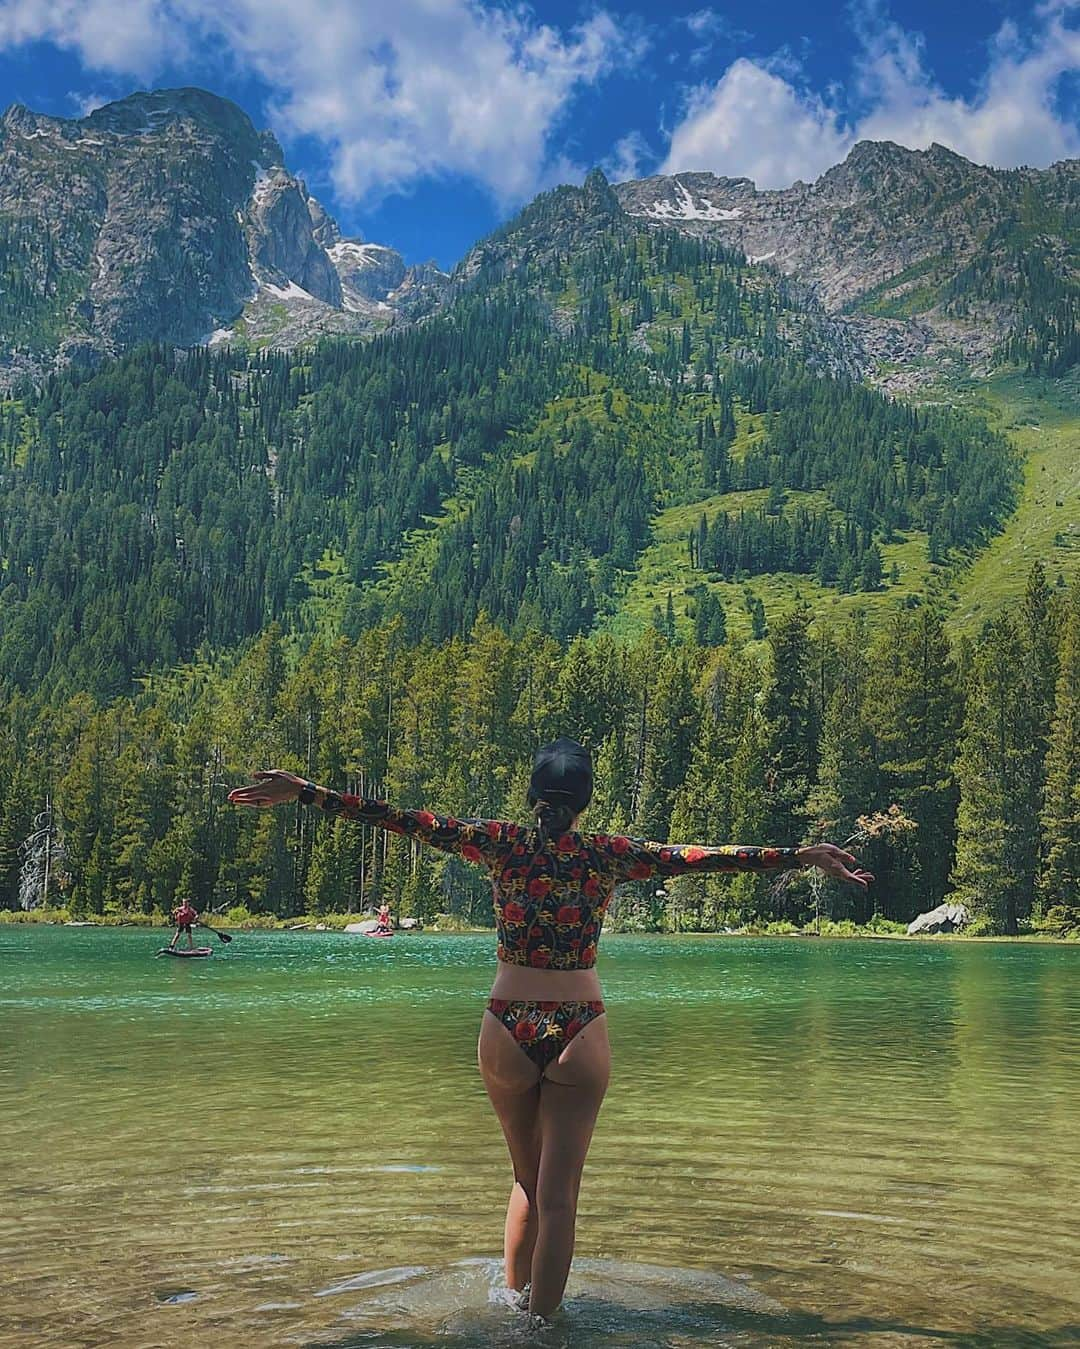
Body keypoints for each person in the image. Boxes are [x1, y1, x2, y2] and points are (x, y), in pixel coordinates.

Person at [227, 739, 871, 1321]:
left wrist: (304, 792)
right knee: (560, 1197)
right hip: (578, 1027)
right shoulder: (610, 854)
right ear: (585, 803)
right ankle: (544, 1328)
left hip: (507, 1024)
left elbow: (402, 819)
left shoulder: (499, 842)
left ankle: (512, 1314)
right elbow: (706, 858)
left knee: (526, 1182)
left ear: (533, 797)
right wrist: (802, 856)